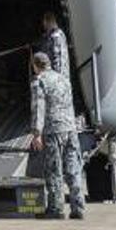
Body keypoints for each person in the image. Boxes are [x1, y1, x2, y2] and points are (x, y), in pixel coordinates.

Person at [29, 51, 85, 220]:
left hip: (53, 130)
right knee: (73, 169)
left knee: (53, 170)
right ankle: (78, 207)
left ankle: (55, 208)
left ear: (35, 65)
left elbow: (38, 107)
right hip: (70, 128)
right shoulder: (63, 79)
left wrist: (36, 133)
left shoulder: (39, 81)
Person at [38, 11, 73, 90]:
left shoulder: (56, 37)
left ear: (47, 22)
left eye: (44, 23)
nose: (43, 26)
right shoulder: (52, 36)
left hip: (58, 80)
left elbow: (59, 59)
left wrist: (56, 79)